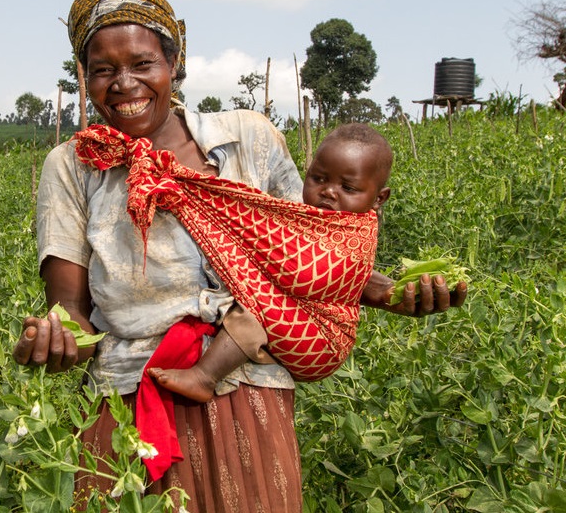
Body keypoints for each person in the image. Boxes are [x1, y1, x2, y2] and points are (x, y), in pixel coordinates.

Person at [13, 0, 466, 512]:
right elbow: (71, 311)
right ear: (85, 79)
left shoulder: (248, 137)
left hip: (249, 388)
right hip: (132, 397)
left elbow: (310, 255)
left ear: (174, 62)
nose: (124, 84)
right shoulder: (73, 164)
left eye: (142, 63)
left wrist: (394, 292)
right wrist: (54, 341)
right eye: (103, 70)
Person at [148, 122, 394, 403]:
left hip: (322, 340)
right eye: (318, 179)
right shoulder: (308, 218)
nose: (329, 192)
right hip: (303, 329)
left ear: (379, 198)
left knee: (254, 307)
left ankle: (204, 377)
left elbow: (311, 273)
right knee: (254, 295)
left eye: (347, 187)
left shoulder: (355, 232)